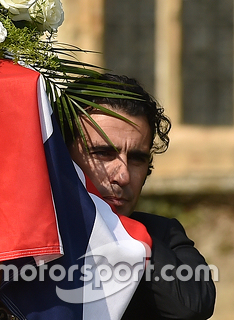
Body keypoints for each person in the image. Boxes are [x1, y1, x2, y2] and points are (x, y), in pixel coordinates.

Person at [66, 73, 215, 320]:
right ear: (63, 156)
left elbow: (191, 305)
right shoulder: (30, 236)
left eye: (137, 158)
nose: (123, 175)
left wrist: (126, 233)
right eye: (103, 153)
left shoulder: (162, 233)